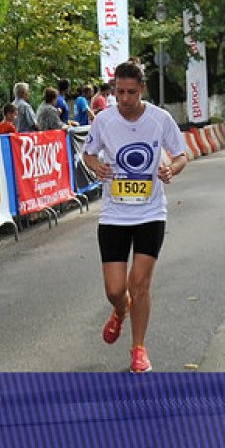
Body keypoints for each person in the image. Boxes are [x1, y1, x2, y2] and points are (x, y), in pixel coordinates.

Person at [81, 60, 189, 374]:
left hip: (150, 212)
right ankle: (120, 310)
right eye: (119, 92)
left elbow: (182, 155)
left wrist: (172, 169)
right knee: (116, 290)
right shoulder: (104, 120)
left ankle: (138, 349)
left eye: (131, 92)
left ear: (142, 89)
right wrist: (95, 166)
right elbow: (88, 153)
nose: (125, 99)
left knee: (139, 284)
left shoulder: (160, 119)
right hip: (114, 214)